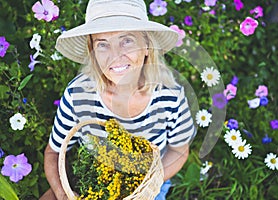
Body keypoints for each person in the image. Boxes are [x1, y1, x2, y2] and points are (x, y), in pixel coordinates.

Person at [40, 0, 196, 199]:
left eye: (127, 41)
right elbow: (53, 152)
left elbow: (179, 150)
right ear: (93, 52)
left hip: (147, 184)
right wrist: (63, 195)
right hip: (91, 181)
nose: (115, 55)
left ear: (147, 46)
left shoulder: (169, 96)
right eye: (103, 44)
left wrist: (146, 186)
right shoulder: (78, 94)